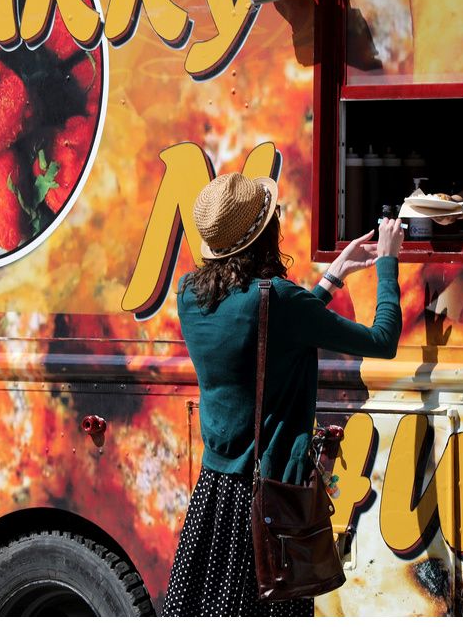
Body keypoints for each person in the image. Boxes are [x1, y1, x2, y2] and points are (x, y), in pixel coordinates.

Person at [161, 172, 404, 617]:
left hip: (214, 496)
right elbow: (382, 339)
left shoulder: (189, 296)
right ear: (266, 234)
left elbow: (264, 333)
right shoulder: (281, 301)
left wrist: (332, 278)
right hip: (270, 500)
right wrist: (388, 263)